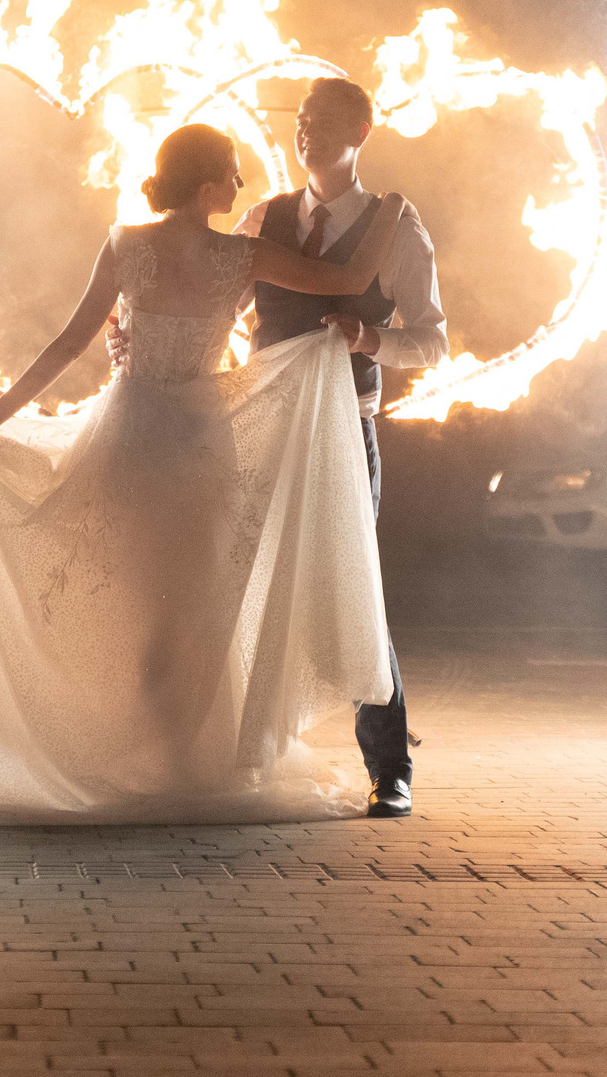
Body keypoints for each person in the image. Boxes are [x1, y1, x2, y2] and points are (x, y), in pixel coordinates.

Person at [0, 123, 409, 823]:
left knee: (152, 610)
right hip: (198, 445)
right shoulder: (240, 255)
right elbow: (349, 280)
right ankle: (177, 764)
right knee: (191, 613)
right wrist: (392, 210)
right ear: (206, 185)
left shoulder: (130, 244)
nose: (242, 184)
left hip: (133, 436)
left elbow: (69, 342)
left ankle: (166, 759)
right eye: (232, 172)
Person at [232, 77, 443, 818]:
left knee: (354, 588)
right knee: (242, 579)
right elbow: (221, 306)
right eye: (301, 120)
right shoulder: (264, 217)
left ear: (361, 131)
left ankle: (390, 767)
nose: (306, 132)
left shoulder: (395, 227)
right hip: (266, 427)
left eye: (323, 122)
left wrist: (370, 339)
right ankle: (238, 752)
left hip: (345, 429)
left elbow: (434, 341)